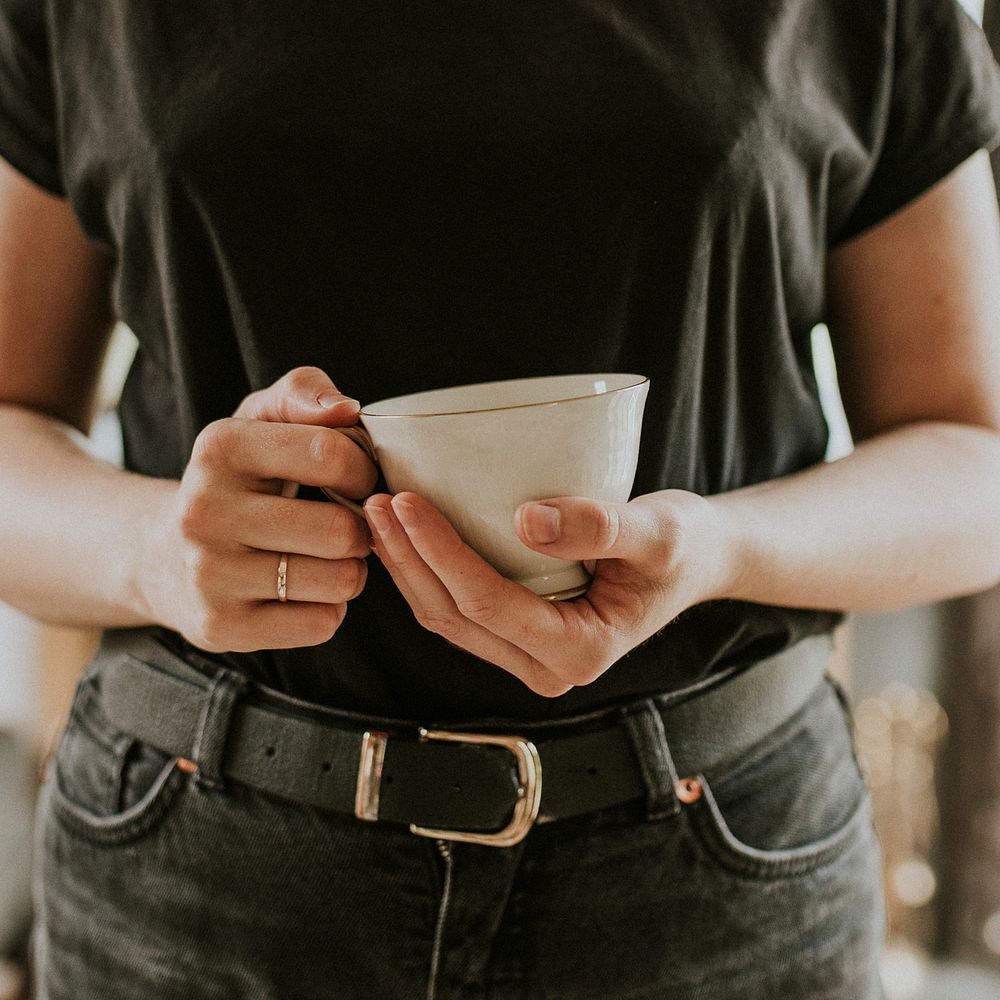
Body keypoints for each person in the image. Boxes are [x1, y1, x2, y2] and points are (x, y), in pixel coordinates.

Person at [2, 0, 1000, 997]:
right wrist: (156, 552)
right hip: (199, 886)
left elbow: (973, 454)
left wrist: (721, 549)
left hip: (715, 888)